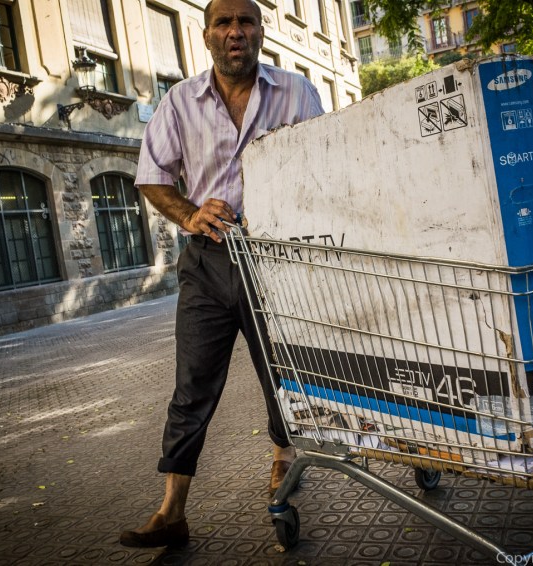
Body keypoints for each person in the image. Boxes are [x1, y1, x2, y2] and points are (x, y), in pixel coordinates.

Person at [119, 0, 324, 549]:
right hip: (207, 262)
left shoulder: (298, 92)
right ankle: (172, 509)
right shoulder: (179, 101)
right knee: (191, 387)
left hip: (279, 261)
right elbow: (151, 176)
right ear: (206, 35)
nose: (236, 32)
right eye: (224, 23)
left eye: (246, 22)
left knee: (281, 372)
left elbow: (327, 163)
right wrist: (189, 213)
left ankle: (283, 460)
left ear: (260, 31)